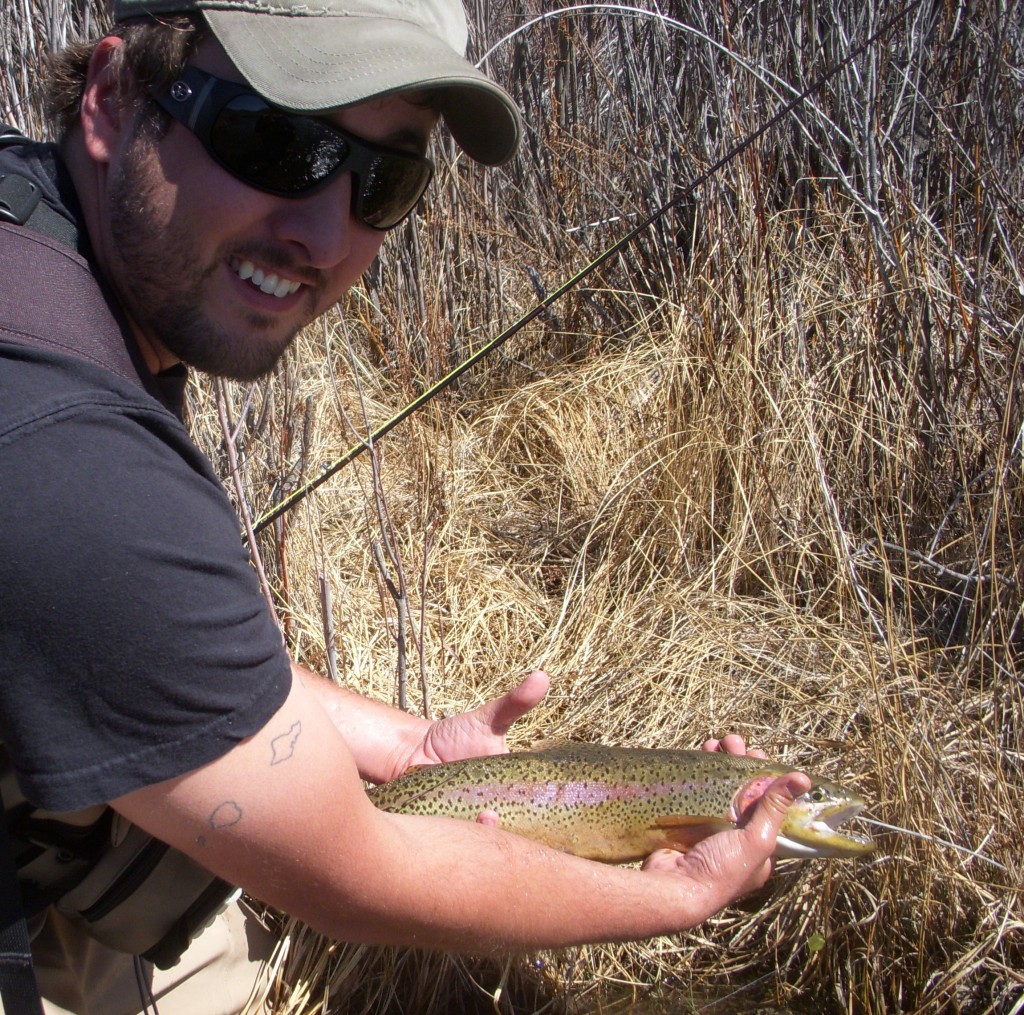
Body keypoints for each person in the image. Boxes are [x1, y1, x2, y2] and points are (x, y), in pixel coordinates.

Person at [0, 1, 811, 1012]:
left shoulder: (32, 229)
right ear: (114, 99)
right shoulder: (64, 454)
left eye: (385, 180)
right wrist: (679, 890)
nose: (324, 232)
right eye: (275, 139)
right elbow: (354, 871)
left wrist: (405, 752)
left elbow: (117, 631)